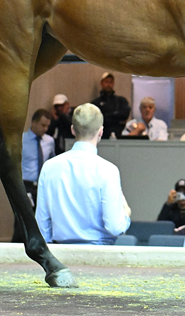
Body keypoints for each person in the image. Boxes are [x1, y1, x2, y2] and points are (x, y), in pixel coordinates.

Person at [35, 104, 131, 244]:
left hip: (59, 256)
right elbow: (115, 227)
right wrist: (126, 213)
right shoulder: (108, 170)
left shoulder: (49, 167)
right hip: (100, 256)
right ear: (101, 132)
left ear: (73, 130)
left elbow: (42, 227)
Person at [12, 108, 56, 242]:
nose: (45, 128)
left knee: (42, 219)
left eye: (48, 125)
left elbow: (51, 161)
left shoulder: (49, 141)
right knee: (23, 219)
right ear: (33, 123)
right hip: (26, 184)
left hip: (42, 185)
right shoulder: (21, 139)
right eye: (43, 125)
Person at [90, 72, 131, 139]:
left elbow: (124, 115)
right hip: (102, 138)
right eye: (106, 82)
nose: (108, 84)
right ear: (101, 83)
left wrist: (106, 115)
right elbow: (96, 120)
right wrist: (116, 118)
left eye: (111, 82)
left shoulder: (120, 101)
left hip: (119, 137)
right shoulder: (96, 103)